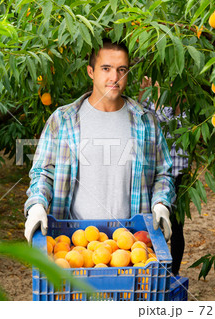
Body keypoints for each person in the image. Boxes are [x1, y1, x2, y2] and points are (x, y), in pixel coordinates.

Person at [24, 38, 175, 244]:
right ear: (90, 72)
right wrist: (37, 206)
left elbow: (163, 172)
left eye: (122, 70)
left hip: (131, 245)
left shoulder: (146, 122)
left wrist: (161, 204)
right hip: (74, 243)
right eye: (106, 68)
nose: (115, 77)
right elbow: (43, 172)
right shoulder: (63, 120)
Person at [139, 77, 189, 276]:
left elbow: (172, 125)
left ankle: (173, 273)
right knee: (150, 224)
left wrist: (161, 93)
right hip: (153, 170)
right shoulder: (149, 92)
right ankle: (152, 270)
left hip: (175, 169)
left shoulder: (180, 94)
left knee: (175, 224)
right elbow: (142, 120)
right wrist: (146, 90)